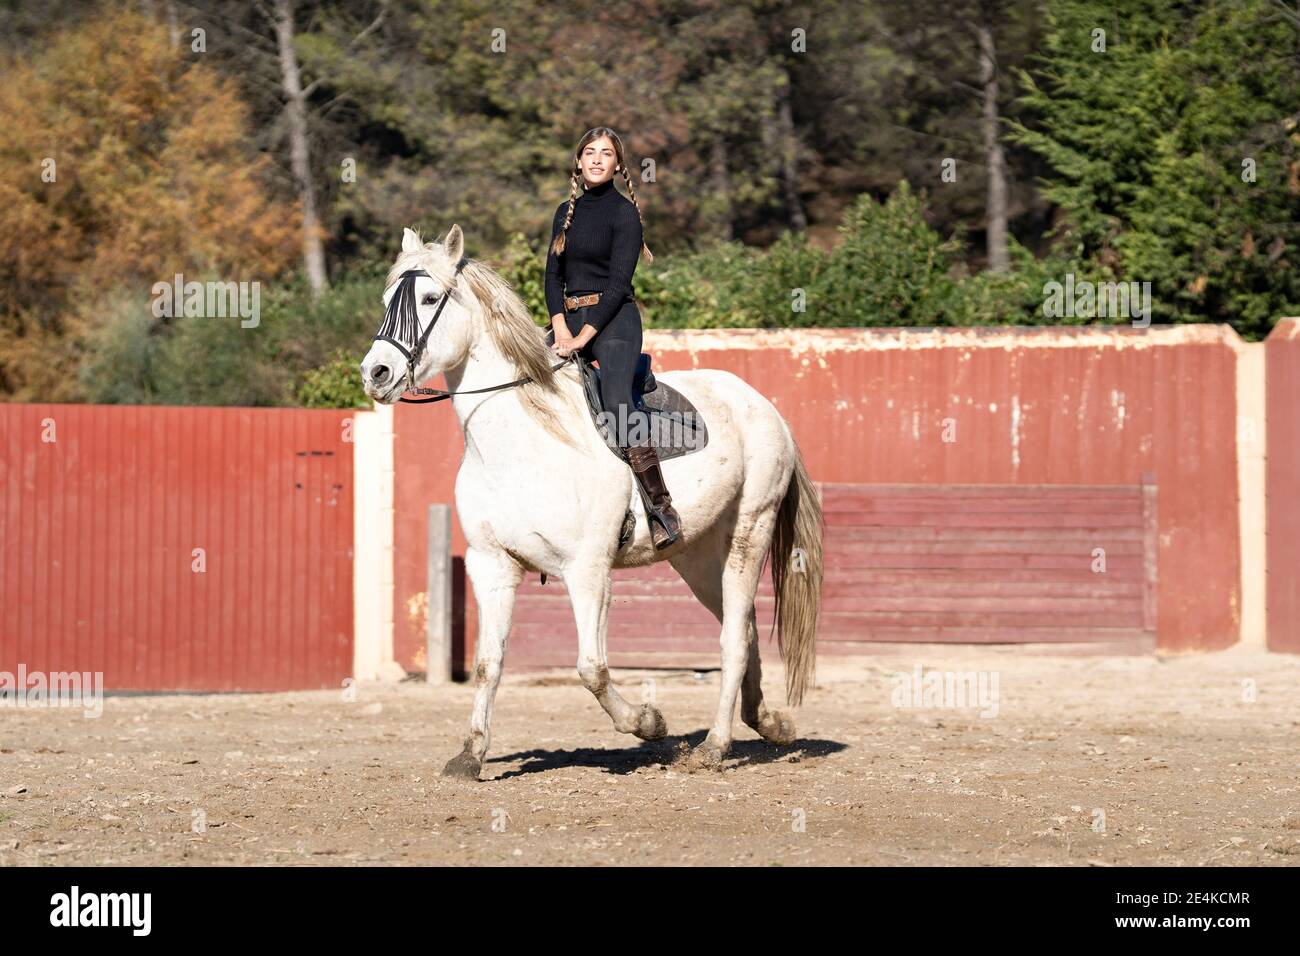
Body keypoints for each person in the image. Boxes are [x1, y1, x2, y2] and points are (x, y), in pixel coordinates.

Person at [545, 126, 682, 549]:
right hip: (568, 322)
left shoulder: (624, 215)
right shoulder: (564, 213)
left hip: (614, 323)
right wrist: (562, 327)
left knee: (619, 402)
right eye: (590, 152)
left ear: (619, 164)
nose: (598, 160)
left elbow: (620, 283)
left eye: (606, 153)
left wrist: (584, 335)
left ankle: (661, 507)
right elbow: (552, 276)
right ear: (579, 161)